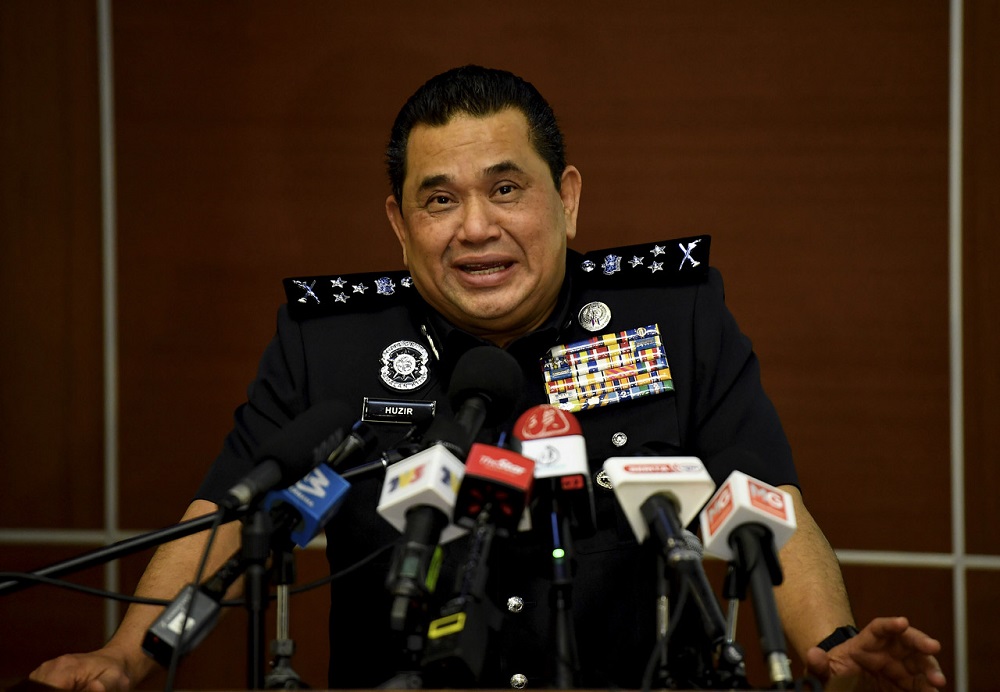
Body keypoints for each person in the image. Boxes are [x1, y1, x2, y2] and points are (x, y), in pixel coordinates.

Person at [29, 65, 945, 691]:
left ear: (568, 197)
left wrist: (826, 650)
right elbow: (233, 521)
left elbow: (764, 505)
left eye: (506, 189)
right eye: (440, 198)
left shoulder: (672, 318)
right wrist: (125, 656)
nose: (475, 227)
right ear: (398, 222)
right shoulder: (333, 345)